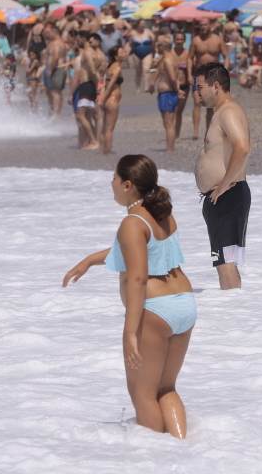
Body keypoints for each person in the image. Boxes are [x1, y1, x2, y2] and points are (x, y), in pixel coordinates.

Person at [62, 155, 195, 439]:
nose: (110, 183)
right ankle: (185, 454)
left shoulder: (132, 223)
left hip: (156, 311)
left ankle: (156, 462)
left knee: (142, 394)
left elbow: (137, 277)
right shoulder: (162, 213)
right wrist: (89, 260)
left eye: (113, 178)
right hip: (184, 303)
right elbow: (139, 252)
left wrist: (130, 331)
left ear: (127, 185)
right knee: (165, 388)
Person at [193, 62, 251, 289]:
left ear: (215, 86)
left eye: (200, 87)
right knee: (225, 262)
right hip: (223, 196)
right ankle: (233, 313)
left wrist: (223, 185)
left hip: (227, 195)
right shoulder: (222, 113)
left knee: (225, 264)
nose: (197, 93)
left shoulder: (229, 112)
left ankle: (234, 316)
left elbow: (242, 147)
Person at [189, 22, 224, 139]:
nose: (203, 27)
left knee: (210, 105)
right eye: (202, 25)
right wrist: (189, 74)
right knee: (197, 102)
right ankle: (195, 132)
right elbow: (190, 58)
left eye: (205, 25)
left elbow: (226, 56)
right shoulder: (196, 40)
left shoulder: (218, 40)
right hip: (199, 74)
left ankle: (209, 130)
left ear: (210, 27)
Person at [98, 44, 127, 155]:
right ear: (116, 56)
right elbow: (110, 85)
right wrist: (102, 99)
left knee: (105, 128)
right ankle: (107, 153)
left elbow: (102, 81)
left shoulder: (110, 66)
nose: (124, 53)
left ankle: (102, 151)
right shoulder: (117, 68)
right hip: (112, 100)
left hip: (108, 100)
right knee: (109, 129)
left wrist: (101, 97)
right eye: (121, 52)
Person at [153, 36, 180, 152]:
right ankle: (170, 148)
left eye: (158, 45)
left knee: (169, 124)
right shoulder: (168, 58)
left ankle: (170, 149)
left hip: (168, 94)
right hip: (167, 94)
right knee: (169, 123)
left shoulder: (168, 60)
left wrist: (177, 90)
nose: (156, 47)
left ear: (163, 46)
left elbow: (173, 78)